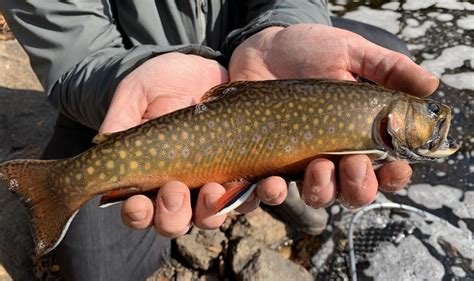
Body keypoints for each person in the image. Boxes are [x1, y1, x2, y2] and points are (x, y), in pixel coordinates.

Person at [2, 1, 439, 280]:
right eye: (430, 116)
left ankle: (276, 184)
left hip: (262, 60)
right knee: (100, 271)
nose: (434, 119)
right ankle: (67, 184)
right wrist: (130, 77)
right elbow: (73, 50)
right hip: (129, 88)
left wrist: (280, 29)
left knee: (384, 49)